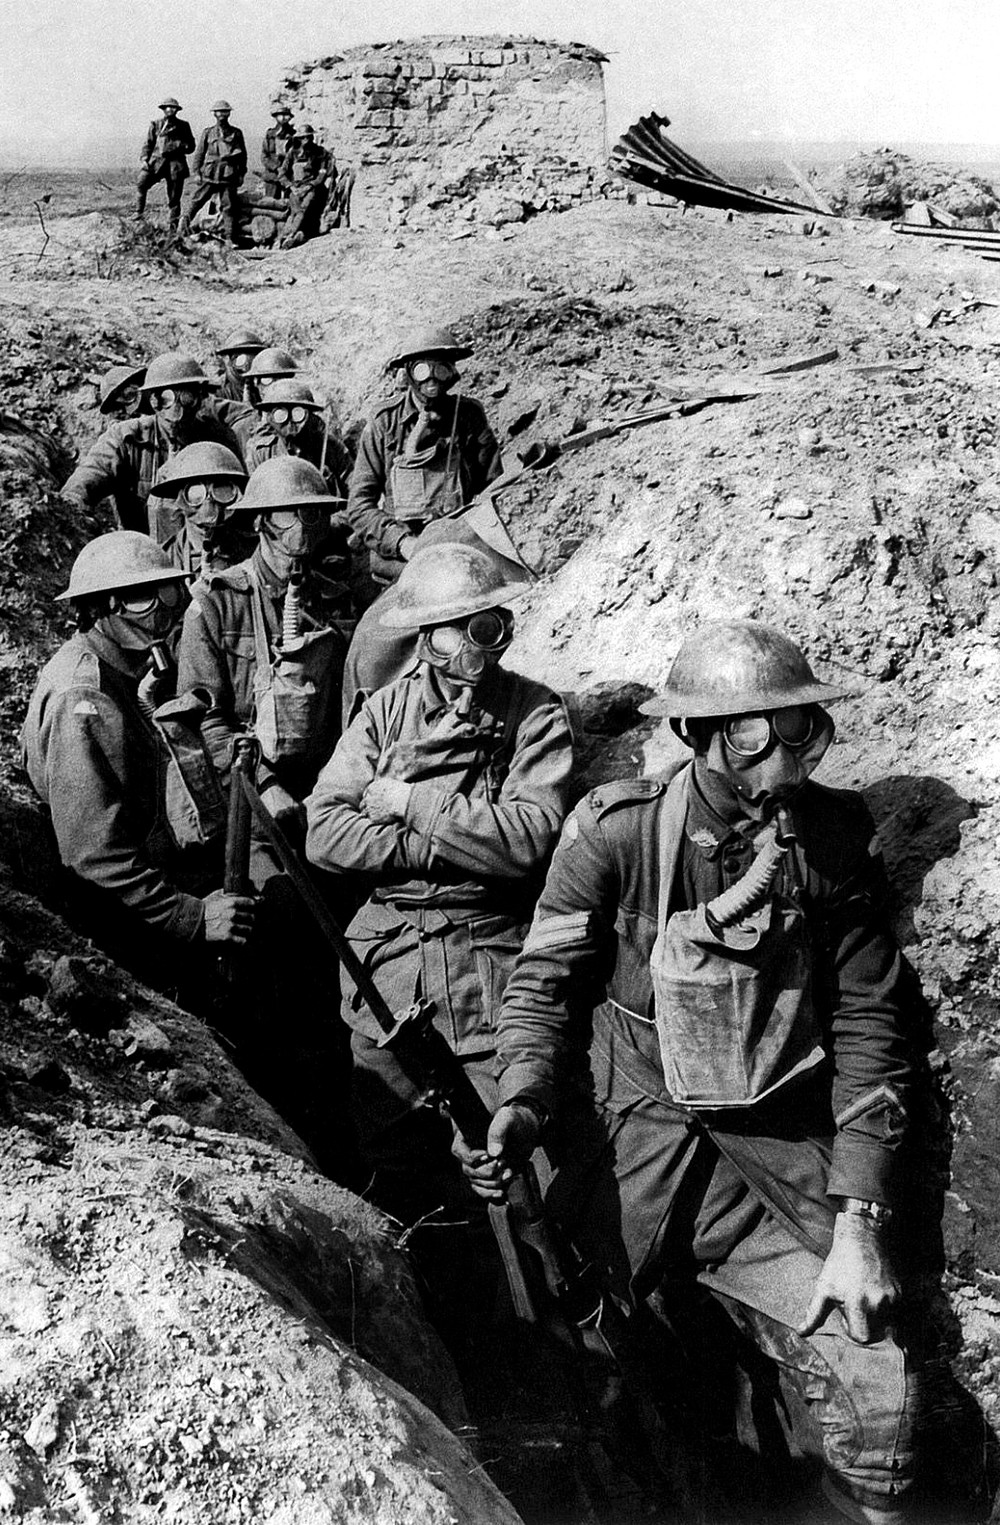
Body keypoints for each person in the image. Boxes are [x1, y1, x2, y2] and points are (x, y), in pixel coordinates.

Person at [463, 619, 923, 1525]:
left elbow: (873, 1025)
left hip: (772, 1165)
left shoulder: (831, 844)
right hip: (628, 1155)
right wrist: (521, 1098)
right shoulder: (619, 833)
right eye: (751, 735)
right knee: (604, 1391)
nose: (781, 760)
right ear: (697, 737)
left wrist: (859, 1216)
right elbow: (544, 982)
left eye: (801, 731)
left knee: (879, 1394)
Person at [303, 544, 574, 1346]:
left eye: (492, 626)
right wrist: (445, 841)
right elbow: (324, 831)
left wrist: (410, 804)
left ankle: (556, 1353)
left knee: (521, 1176)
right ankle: (437, 1345)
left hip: (489, 965)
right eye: (460, 631)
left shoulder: (537, 713)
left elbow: (529, 838)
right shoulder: (383, 713)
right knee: (399, 1170)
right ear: (426, 638)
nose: (480, 648)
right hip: (386, 966)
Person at [176, 456, 354, 1168]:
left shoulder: (337, 598)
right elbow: (201, 718)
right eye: (290, 513)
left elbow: (355, 706)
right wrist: (265, 782)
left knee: (338, 942)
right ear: (260, 521)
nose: (304, 525)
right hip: (252, 805)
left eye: (314, 512)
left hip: (326, 798)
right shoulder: (217, 602)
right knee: (270, 937)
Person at [20, 531, 254, 990]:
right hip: (120, 916)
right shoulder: (84, 697)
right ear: (102, 607)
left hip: (153, 875)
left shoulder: (126, 668)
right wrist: (193, 916)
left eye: (168, 591)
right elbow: (93, 854)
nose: (164, 610)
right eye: (141, 598)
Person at [346, 326, 503, 590]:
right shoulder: (384, 423)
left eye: (440, 368)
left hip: (458, 551)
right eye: (422, 368)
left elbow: (492, 488)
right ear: (407, 371)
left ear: (452, 372)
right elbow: (360, 505)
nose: (432, 378)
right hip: (403, 560)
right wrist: (401, 542)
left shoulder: (469, 417)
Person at [62, 353, 241, 536]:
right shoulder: (126, 439)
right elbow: (85, 482)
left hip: (204, 549)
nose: (176, 408)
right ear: (152, 400)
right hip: (144, 551)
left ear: (200, 396)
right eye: (165, 398)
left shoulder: (220, 439)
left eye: (186, 396)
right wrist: (76, 512)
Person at [145, 441, 252, 577]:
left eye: (221, 490)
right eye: (195, 494)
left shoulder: (254, 551)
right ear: (180, 499)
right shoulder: (164, 560)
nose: (209, 504)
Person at [244, 379, 351, 497]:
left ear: (310, 415)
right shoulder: (262, 454)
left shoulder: (331, 448)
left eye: (298, 413)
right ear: (270, 417)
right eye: (280, 414)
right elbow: (253, 501)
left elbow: (354, 492)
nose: (290, 423)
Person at [181, 101, 248, 244]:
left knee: (229, 207)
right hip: (210, 174)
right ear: (214, 114)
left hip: (228, 175)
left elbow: (243, 157)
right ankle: (180, 231)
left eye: (225, 112)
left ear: (229, 113)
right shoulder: (208, 132)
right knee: (196, 201)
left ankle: (230, 238)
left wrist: (241, 173)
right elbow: (199, 153)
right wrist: (196, 172)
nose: (222, 115)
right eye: (219, 112)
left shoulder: (236, 133)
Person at [135, 96, 195, 231]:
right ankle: (138, 213)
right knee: (141, 183)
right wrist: (144, 159)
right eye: (167, 107)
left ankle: (172, 228)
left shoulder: (183, 126)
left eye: (173, 108)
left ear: (176, 110)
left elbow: (191, 146)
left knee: (174, 198)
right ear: (163, 109)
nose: (170, 110)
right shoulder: (156, 124)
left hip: (175, 164)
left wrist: (179, 145)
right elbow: (148, 143)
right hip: (157, 162)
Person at [278, 126, 333, 249]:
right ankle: (288, 237)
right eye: (303, 137)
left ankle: (290, 236)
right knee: (295, 212)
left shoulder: (320, 153)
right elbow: (282, 174)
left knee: (304, 208)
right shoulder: (292, 152)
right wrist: (291, 187)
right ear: (299, 138)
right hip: (295, 188)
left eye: (309, 137)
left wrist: (309, 186)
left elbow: (321, 175)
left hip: (310, 188)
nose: (306, 140)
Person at [215, 328, 266, 404]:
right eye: (240, 358)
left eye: (253, 356)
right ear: (230, 359)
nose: (248, 364)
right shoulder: (220, 392)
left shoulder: (265, 385)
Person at [260, 104, 295, 199]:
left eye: (285, 115)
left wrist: (285, 169)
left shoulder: (294, 135)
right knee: (271, 202)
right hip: (272, 174)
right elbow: (264, 156)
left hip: (289, 175)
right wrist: (275, 167)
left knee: (290, 201)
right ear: (276, 117)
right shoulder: (270, 134)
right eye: (280, 115)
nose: (283, 118)